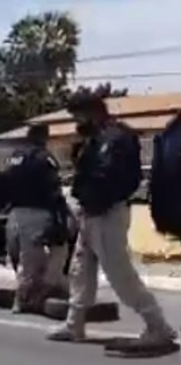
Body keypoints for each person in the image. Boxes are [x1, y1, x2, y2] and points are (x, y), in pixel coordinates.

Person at [48, 93, 176, 345]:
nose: (77, 122)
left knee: (119, 274)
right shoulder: (94, 139)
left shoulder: (117, 138)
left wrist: (100, 200)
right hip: (90, 212)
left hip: (107, 213)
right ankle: (74, 325)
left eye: (80, 115)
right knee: (80, 271)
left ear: (94, 112)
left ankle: (158, 325)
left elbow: (121, 178)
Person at [5, 124, 69, 313]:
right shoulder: (43, 157)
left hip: (16, 212)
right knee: (44, 254)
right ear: (43, 137)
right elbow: (53, 184)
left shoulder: (16, 155)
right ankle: (28, 296)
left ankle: (30, 294)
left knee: (27, 256)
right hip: (38, 211)